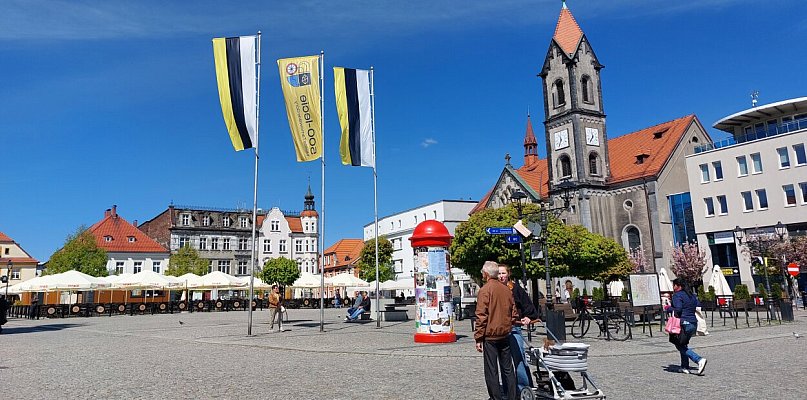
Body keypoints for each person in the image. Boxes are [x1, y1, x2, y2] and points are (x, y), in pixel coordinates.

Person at [474, 261, 518, 400]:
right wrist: (508, 325)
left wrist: (478, 337)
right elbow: (514, 312)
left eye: (482, 273)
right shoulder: (506, 289)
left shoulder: (485, 290)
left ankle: (496, 397)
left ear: (486, 274)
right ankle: (512, 396)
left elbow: (481, 316)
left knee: (491, 370)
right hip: (504, 334)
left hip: (490, 336)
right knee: (508, 369)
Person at [498, 264, 540, 396]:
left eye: (503, 273)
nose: (501, 276)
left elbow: (528, 305)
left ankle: (524, 388)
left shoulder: (515, 289)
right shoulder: (495, 289)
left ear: (508, 274)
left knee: (520, 358)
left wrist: (528, 317)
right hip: (500, 329)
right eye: (499, 274)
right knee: (504, 362)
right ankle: (507, 390)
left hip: (515, 327)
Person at [668, 278, 707, 375]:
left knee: (678, 343)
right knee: (683, 344)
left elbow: (678, 309)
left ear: (678, 286)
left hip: (683, 323)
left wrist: (668, 308)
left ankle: (698, 360)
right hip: (693, 323)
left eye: (674, 285)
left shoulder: (677, 295)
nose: (673, 287)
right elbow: (697, 305)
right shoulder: (692, 295)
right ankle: (684, 366)